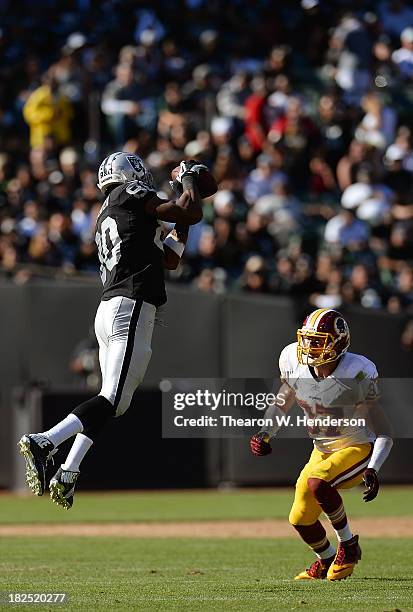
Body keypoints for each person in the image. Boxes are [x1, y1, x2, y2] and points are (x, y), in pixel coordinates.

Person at [18, 152, 206, 508]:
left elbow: (171, 258)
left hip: (111, 308)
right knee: (113, 400)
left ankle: (68, 472)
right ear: (128, 173)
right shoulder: (129, 193)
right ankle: (45, 440)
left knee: (111, 402)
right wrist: (187, 180)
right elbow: (188, 210)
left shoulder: (110, 209)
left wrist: (185, 214)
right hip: (131, 305)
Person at [250, 308, 393, 581]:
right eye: (307, 339)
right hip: (322, 450)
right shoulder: (292, 359)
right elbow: (282, 401)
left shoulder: (357, 372)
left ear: (338, 342)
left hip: (357, 449)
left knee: (317, 482)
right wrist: (265, 432)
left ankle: (349, 546)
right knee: (300, 517)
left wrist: (374, 467)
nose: (309, 347)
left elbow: (384, 429)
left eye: (318, 340)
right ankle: (326, 560)